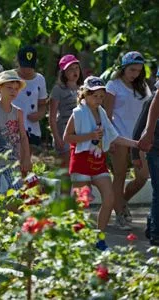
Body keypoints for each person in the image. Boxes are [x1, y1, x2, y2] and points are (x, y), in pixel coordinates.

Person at [63, 76, 139, 251]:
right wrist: (89, 136)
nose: (98, 100)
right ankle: (76, 240)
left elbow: (114, 136)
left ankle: (100, 237)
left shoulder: (102, 113)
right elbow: (67, 137)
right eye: (95, 96)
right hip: (81, 160)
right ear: (85, 95)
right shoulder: (78, 113)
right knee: (81, 203)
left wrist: (136, 143)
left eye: (101, 96)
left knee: (110, 198)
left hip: (98, 161)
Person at [104, 51, 152, 230]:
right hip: (119, 138)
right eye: (132, 69)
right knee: (120, 175)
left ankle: (122, 201)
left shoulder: (144, 87)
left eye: (139, 70)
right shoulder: (113, 85)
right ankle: (120, 214)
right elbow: (107, 115)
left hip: (139, 139)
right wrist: (110, 140)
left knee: (142, 177)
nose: (135, 74)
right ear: (123, 68)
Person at [0, 70, 31, 194]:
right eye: (9, 88)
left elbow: (23, 137)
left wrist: (26, 158)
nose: (13, 91)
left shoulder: (18, 112)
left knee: (18, 193)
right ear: (0, 88)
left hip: (13, 160)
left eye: (15, 88)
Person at [49, 54, 84, 167]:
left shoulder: (83, 88)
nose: (75, 71)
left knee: (79, 168)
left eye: (76, 68)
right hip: (63, 131)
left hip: (80, 132)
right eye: (70, 69)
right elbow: (52, 117)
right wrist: (57, 138)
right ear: (63, 72)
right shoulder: (57, 89)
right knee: (66, 169)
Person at [134, 88, 159, 246]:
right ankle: (156, 232)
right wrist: (135, 154)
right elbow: (138, 129)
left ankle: (152, 223)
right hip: (156, 147)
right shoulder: (152, 101)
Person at [12, 46, 48, 150]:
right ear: (18, 62)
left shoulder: (40, 79)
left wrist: (39, 114)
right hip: (12, 126)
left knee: (28, 160)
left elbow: (42, 104)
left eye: (30, 66)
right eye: (24, 66)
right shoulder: (9, 77)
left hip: (32, 127)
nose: (27, 70)